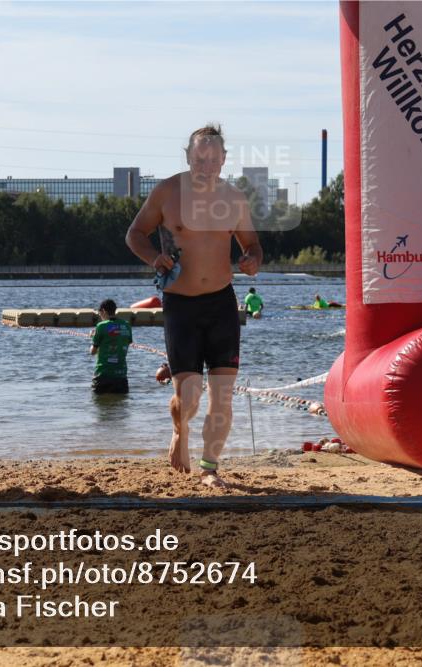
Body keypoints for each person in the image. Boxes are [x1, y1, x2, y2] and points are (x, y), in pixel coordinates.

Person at [125, 123, 263, 488]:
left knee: (222, 399)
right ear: (189, 157)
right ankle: (178, 431)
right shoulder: (167, 192)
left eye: (213, 159)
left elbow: (252, 244)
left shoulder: (234, 198)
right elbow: (134, 234)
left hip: (221, 304)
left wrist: (251, 259)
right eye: (199, 158)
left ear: (223, 160)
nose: (206, 165)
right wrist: (155, 256)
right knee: (188, 397)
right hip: (181, 305)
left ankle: (209, 468)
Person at [90, 299, 132, 394]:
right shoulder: (126, 325)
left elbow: (92, 352)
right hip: (121, 376)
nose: (100, 316)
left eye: (99, 313)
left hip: (103, 375)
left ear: (103, 311)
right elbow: (124, 343)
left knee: (99, 405)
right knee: (120, 406)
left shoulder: (101, 326)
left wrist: (93, 338)